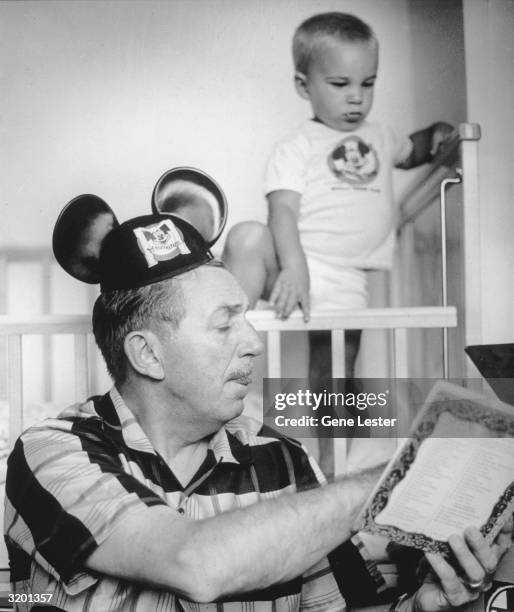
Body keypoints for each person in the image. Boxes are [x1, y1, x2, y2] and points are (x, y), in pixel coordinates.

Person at [4, 194, 511, 612]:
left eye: (246, 319)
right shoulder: (52, 453)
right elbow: (193, 562)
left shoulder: (283, 461)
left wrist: (427, 605)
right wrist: (401, 474)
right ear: (147, 354)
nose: (253, 342)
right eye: (225, 324)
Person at [222, 12, 454, 477]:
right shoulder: (298, 143)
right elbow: (282, 211)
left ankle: (328, 467)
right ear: (304, 85)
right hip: (294, 265)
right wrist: (294, 266)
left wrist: (441, 135)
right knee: (248, 236)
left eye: (368, 84)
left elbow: (414, 149)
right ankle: (221, 351)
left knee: (334, 383)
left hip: (347, 280)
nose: (356, 97)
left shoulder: (380, 136)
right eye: (341, 83)